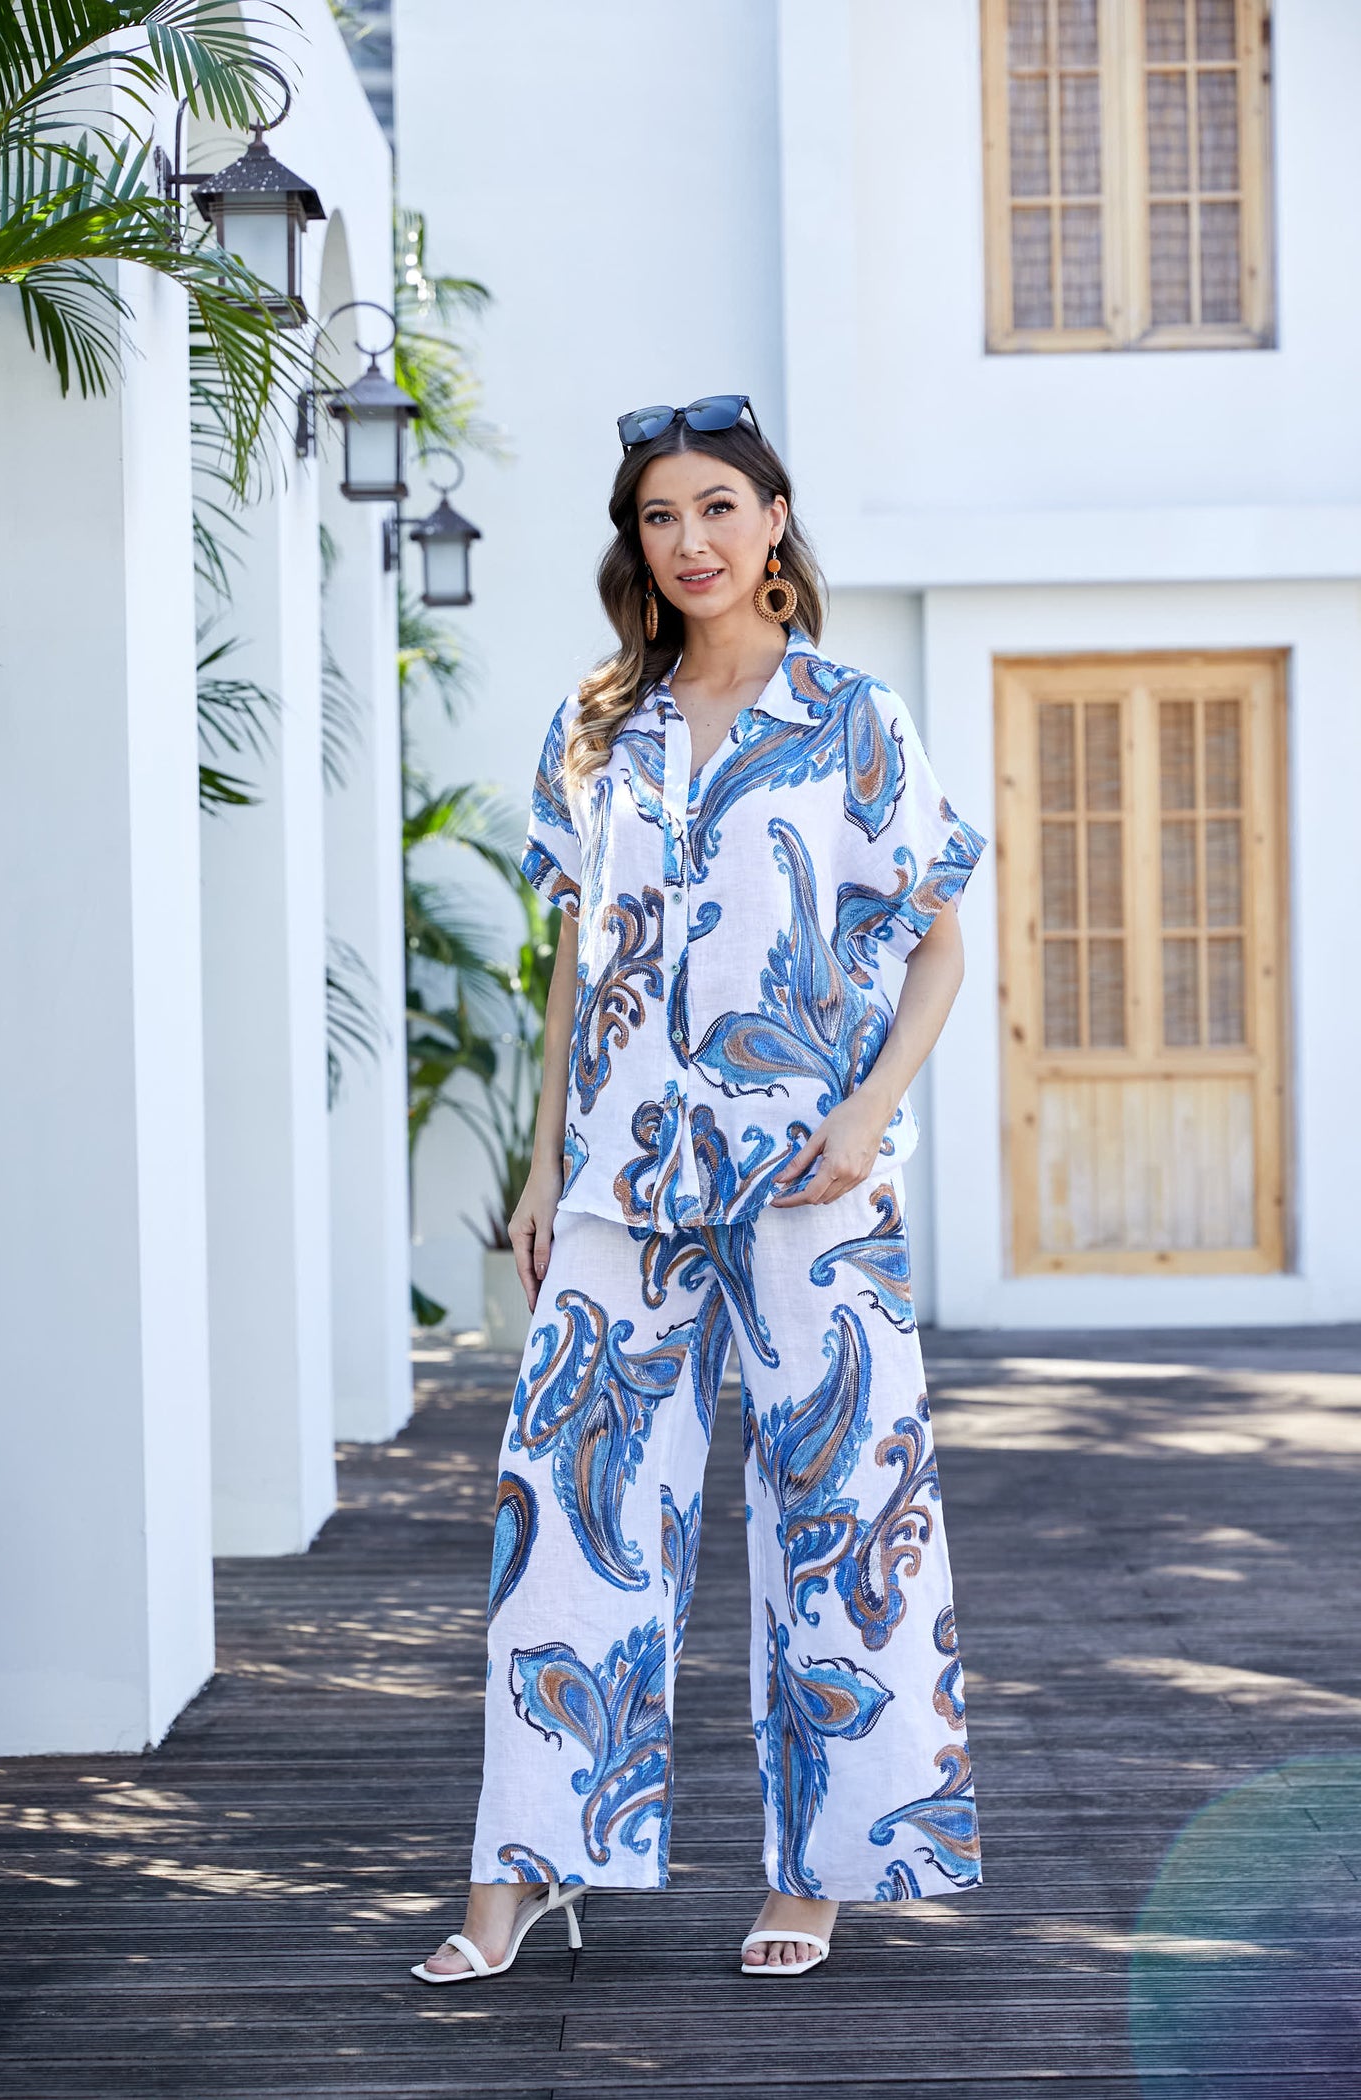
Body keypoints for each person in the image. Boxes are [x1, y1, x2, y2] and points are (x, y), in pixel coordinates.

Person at [414, 394, 986, 1986]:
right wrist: (542, 1164)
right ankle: (522, 1870)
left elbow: (940, 942)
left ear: (774, 520)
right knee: (565, 1518)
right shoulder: (600, 721)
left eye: (719, 508)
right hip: (622, 1181)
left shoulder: (854, 716)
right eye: (661, 517)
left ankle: (821, 1869)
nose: (691, 542)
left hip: (813, 1176)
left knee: (839, 1513)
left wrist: (868, 1115)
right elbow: (575, 958)